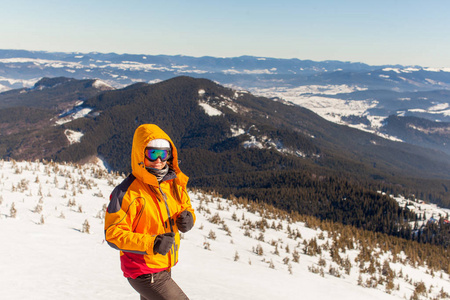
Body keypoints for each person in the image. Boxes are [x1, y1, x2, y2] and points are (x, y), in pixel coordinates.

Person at [105, 124, 195, 300]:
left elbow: (186, 206)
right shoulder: (127, 193)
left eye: (164, 154)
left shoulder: (173, 183)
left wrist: (189, 218)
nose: (159, 160)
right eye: (153, 154)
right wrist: (152, 243)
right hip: (143, 269)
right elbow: (112, 233)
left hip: (163, 264)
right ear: (141, 154)